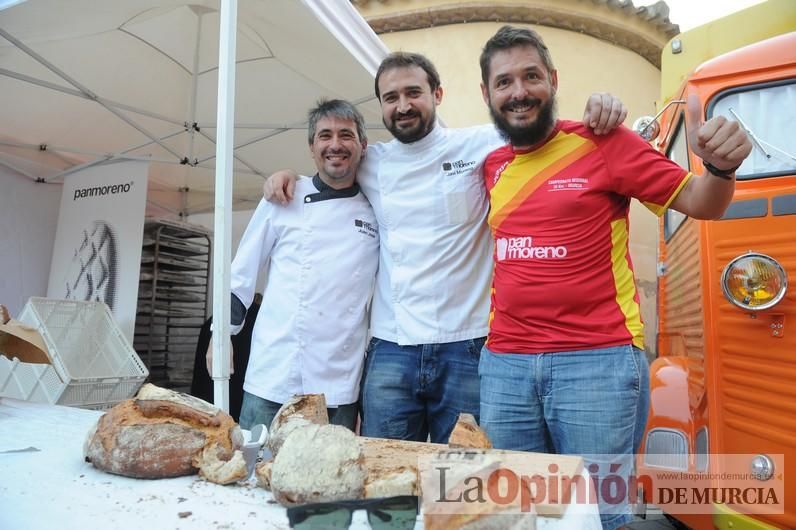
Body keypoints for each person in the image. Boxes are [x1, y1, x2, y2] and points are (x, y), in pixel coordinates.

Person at [265, 52, 627, 444]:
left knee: (459, 479)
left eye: (413, 92)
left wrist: (600, 109)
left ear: (437, 94)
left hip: (466, 346)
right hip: (392, 348)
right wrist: (288, 178)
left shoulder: (482, 143)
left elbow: (542, 131)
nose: (403, 106)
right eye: (391, 98)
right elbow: (329, 169)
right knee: (385, 475)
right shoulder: (372, 161)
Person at [477, 25, 752, 530]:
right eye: (505, 82)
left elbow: (701, 202)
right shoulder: (491, 166)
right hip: (505, 368)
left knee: (599, 515)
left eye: (531, 76)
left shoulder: (605, 144)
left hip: (596, 364)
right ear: (487, 94)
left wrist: (721, 169)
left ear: (553, 81)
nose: (519, 92)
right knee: (515, 513)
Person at [207, 99, 378, 431]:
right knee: (253, 471)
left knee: (328, 479)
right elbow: (241, 275)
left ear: (363, 145)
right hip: (273, 372)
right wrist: (220, 336)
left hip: (338, 382)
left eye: (346, 135)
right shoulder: (283, 197)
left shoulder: (376, 209)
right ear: (312, 147)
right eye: (325, 136)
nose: (335, 144)